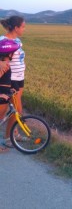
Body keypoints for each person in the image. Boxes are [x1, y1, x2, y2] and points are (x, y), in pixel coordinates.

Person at [0, 16, 26, 148]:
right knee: (16, 110)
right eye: (23, 26)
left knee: (15, 110)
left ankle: (13, 134)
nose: (24, 29)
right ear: (16, 27)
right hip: (11, 79)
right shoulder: (3, 41)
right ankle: (8, 138)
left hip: (20, 78)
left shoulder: (17, 41)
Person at [0, 39, 20, 152]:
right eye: (14, 52)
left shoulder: (5, 63)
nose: (15, 54)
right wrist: (1, 93)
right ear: (9, 53)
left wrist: (11, 87)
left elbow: (5, 80)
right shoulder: (2, 65)